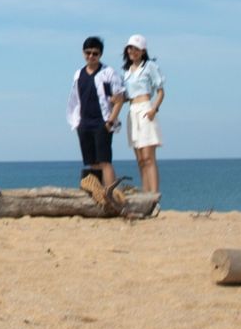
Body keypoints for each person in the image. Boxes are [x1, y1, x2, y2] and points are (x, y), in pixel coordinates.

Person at [66, 36, 123, 205]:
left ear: (100, 54)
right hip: (84, 123)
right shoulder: (78, 74)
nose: (91, 56)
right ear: (84, 53)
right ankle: (98, 197)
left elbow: (119, 98)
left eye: (95, 53)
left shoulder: (109, 73)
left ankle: (113, 196)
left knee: (105, 161)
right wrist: (77, 122)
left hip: (102, 122)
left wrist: (110, 122)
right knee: (92, 163)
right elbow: (75, 99)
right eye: (88, 53)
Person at [122, 34, 166, 195]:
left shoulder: (150, 67)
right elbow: (126, 95)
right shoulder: (126, 72)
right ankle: (145, 194)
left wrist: (154, 109)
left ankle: (154, 195)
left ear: (142, 51)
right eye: (130, 48)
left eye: (136, 48)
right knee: (140, 159)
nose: (132, 51)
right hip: (132, 111)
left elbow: (161, 91)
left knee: (149, 157)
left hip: (146, 108)